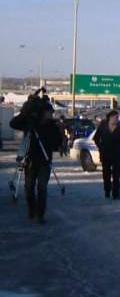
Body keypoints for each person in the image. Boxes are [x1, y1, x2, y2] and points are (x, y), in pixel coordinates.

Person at [9, 93, 64, 224]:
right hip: (30, 161)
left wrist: (59, 134)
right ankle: (31, 209)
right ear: (42, 112)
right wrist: (26, 111)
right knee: (29, 188)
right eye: (49, 112)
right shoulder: (31, 123)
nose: (51, 115)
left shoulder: (52, 126)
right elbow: (13, 123)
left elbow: (57, 143)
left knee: (42, 188)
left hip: (44, 161)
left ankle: (40, 214)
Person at [94, 110, 120, 200]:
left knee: (116, 175)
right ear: (110, 118)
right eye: (116, 117)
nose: (117, 119)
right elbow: (96, 138)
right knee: (106, 174)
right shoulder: (103, 126)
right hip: (105, 154)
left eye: (118, 117)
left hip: (117, 154)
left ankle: (116, 194)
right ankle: (107, 192)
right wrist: (100, 147)